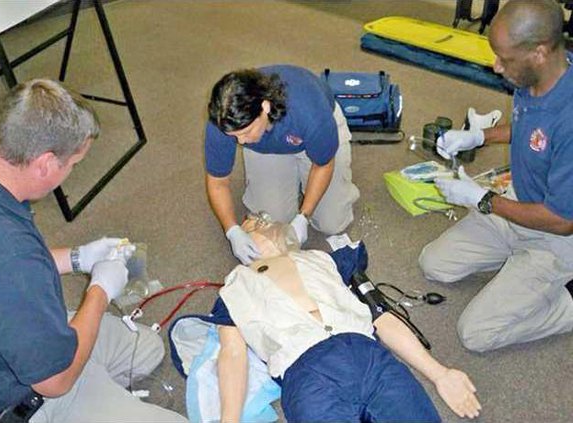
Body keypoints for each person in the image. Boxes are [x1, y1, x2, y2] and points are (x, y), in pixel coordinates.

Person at [0, 80, 187, 423]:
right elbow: (55, 381)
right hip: (21, 391)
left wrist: (78, 257)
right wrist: (100, 290)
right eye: (73, 165)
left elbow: (3, 270)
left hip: (11, 325)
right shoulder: (11, 257)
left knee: (145, 349)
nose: (69, 173)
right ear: (46, 163)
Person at [216, 215, 481, 422]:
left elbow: (381, 317)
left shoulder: (324, 259)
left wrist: (439, 374)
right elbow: (233, 355)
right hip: (306, 372)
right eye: (250, 225)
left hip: (366, 354)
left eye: (260, 221)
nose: (257, 225)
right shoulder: (234, 287)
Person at [421, 0, 573, 353]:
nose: (496, 65)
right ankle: (517, 263)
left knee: (477, 334)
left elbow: (563, 221)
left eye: (504, 58)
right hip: (522, 203)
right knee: (435, 264)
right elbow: (530, 126)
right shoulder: (536, 75)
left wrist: (484, 200)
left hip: (558, 236)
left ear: (539, 52)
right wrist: (479, 136)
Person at [205, 65, 360, 264]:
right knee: (271, 223)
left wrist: (304, 216)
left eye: (245, 132)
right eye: (235, 136)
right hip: (267, 145)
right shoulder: (222, 122)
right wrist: (231, 230)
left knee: (332, 223)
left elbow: (323, 165)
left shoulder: (312, 115)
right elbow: (217, 182)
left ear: (265, 107)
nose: (241, 142)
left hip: (309, 131)